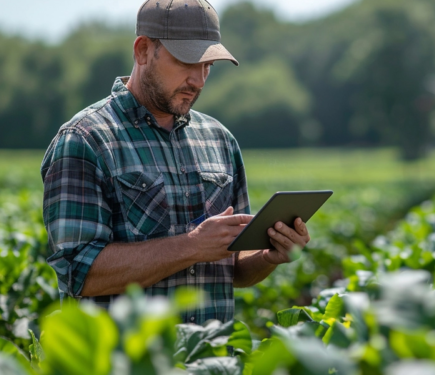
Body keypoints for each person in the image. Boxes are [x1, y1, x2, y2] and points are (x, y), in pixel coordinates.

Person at [40, 0, 310, 324]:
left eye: (208, 65)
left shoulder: (220, 139)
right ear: (142, 51)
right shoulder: (85, 140)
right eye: (186, 62)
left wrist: (268, 256)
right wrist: (193, 246)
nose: (198, 79)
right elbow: (77, 272)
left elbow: (234, 267)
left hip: (209, 360)